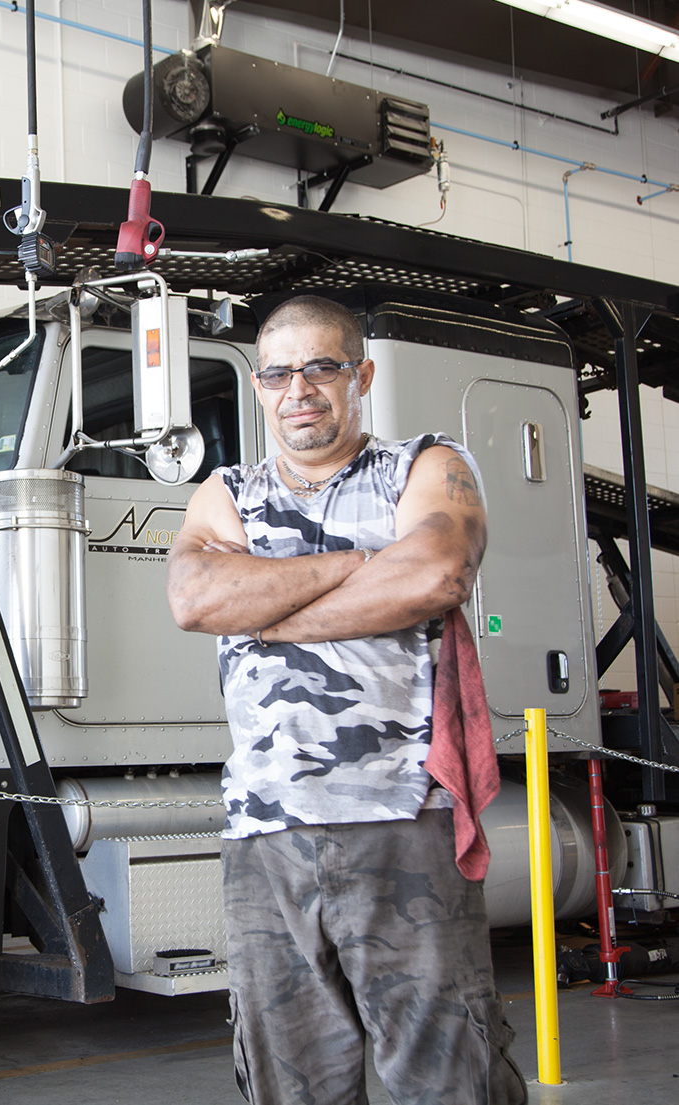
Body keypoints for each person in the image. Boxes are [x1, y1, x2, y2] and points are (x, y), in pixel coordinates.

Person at [165, 295, 527, 1105]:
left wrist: (269, 616)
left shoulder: (427, 466)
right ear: (259, 387)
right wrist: (365, 564)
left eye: (322, 367)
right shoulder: (226, 491)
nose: (300, 388)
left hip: (405, 820)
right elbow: (194, 598)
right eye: (280, 372)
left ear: (360, 375)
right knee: (291, 1083)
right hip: (268, 832)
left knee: (445, 1073)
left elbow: (435, 573)